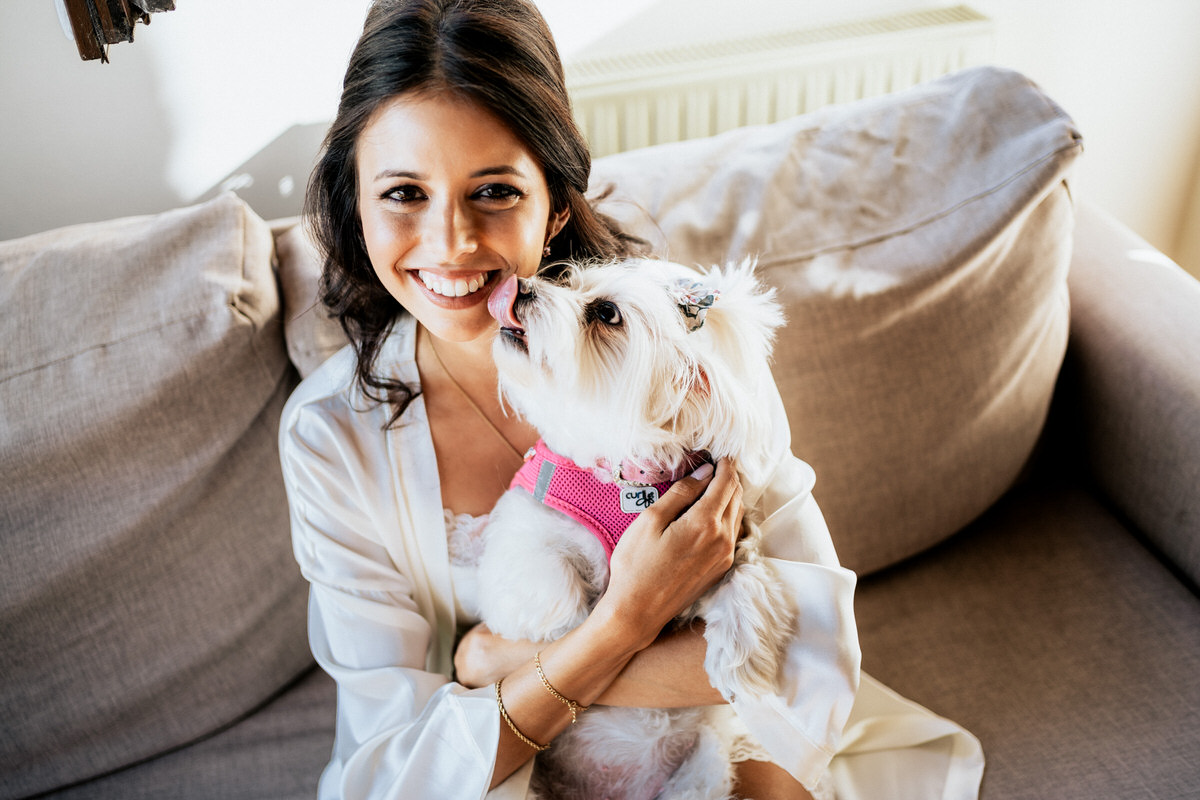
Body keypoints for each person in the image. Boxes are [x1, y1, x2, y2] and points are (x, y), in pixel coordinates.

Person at [279, 1, 983, 798]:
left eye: (495, 192)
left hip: (709, 752)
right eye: (404, 193)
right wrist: (629, 617)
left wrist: (495, 662)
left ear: (557, 209)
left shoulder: (689, 338)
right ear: (356, 205)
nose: (451, 243)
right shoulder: (330, 438)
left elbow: (802, 658)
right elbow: (401, 754)